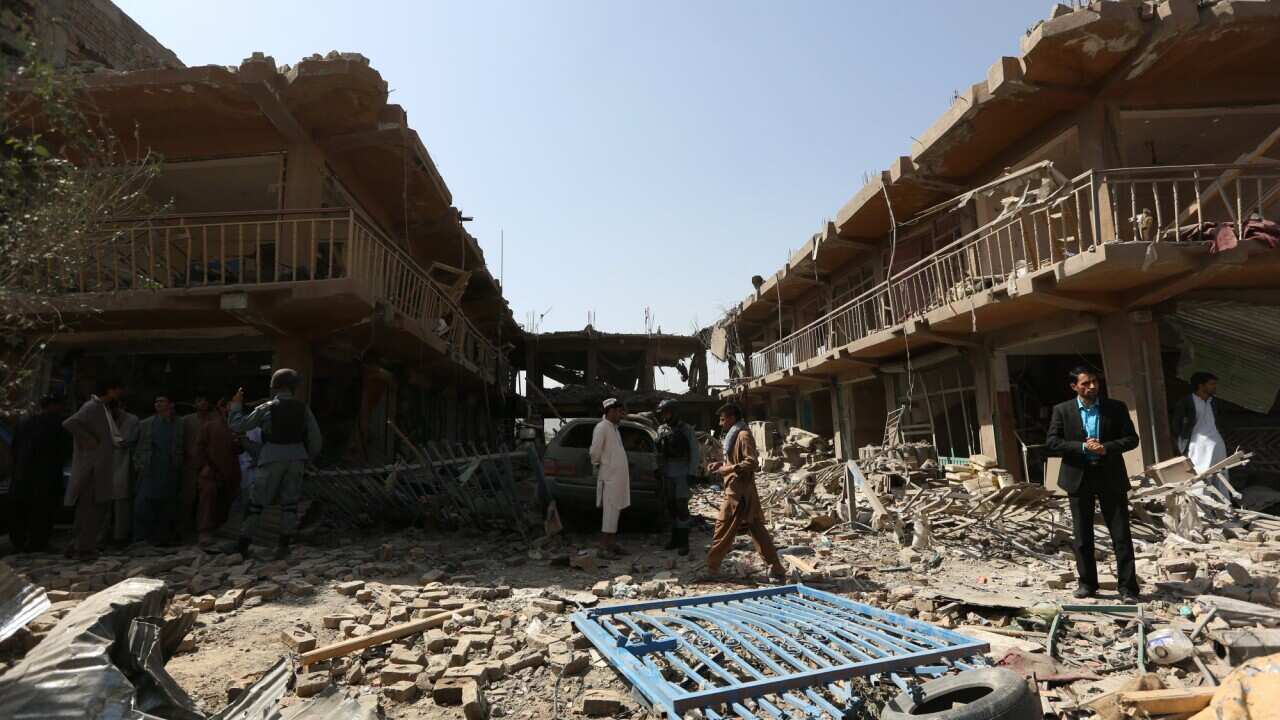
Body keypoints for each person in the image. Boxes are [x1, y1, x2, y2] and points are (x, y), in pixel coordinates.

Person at [1046, 367, 1141, 604]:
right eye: (1086, 383)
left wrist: (1106, 447)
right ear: (1074, 387)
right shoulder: (1062, 410)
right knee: (1082, 536)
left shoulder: (1115, 408)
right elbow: (1053, 442)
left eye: (1095, 382)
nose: (1092, 387)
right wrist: (1081, 447)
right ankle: (1087, 583)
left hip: (1110, 475)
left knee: (1120, 534)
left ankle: (1128, 588)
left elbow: (1132, 439)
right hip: (1079, 477)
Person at [229, 368, 322, 559]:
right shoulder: (303, 408)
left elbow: (238, 426)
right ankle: (283, 546)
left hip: (271, 457)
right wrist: (306, 458)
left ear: (275, 386)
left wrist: (236, 406)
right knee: (290, 504)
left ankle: (242, 545)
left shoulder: (267, 408)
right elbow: (316, 440)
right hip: (296, 458)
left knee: (256, 503)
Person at [705, 403, 785, 581]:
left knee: (722, 529)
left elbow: (752, 463)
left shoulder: (743, 435)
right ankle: (777, 569)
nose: (720, 423)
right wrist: (721, 466)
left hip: (738, 494)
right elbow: (736, 461)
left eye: (723, 419)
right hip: (739, 491)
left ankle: (711, 569)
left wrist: (729, 469)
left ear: (732, 418)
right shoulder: (734, 435)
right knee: (758, 532)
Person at [63, 379, 127, 559]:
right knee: (91, 509)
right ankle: (83, 548)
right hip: (93, 468)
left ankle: (78, 545)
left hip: (100, 465)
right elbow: (70, 423)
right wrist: (89, 440)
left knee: (92, 508)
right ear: (111, 390)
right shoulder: (92, 406)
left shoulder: (103, 408)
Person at [8, 395, 72, 552]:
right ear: (55, 406)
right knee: (43, 511)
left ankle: (18, 543)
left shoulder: (24, 423)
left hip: (22, 475)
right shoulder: (59, 424)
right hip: (47, 477)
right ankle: (38, 543)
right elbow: (65, 451)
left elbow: (14, 447)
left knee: (21, 511)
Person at [132, 395, 185, 546]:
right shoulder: (146, 424)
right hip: (149, 469)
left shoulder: (179, 423)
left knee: (167, 506)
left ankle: (162, 538)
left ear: (171, 404)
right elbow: (134, 444)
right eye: (156, 401)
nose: (158, 404)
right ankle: (140, 539)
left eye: (162, 401)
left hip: (170, 470)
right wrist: (138, 462)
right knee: (142, 505)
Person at [195, 396, 242, 548]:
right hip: (211, 470)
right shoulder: (210, 426)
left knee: (227, 501)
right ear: (222, 407)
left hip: (231, 470)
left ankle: (222, 529)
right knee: (208, 500)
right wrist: (206, 466)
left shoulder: (238, 426)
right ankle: (205, 531)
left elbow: (240, 449)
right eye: (229, 405)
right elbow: (200, 448)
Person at [656, 399, 699, 556]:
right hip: (667, 472)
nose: (665, 416)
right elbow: (658, 452)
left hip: (682, 471)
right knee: (671, 507)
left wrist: (692, 473)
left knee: (682, 508)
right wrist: (657, 469)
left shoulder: (686, 429)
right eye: (663, 414)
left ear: (674, 412)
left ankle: (684, 542)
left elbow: (695, 451)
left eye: (667, 413)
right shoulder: (661, 429)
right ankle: (674, 539)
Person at [589, 398, 631, 557]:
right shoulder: (602, 427)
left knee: (615, 512)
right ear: (611, 411)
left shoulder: (614, 428)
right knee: (610, 513)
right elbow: (595, 451)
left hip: (617, 479)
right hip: (610, 478)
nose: (621, 415)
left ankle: (611, 545)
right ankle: (603, 548)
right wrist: (597, 464)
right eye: (619, 412)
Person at [1171, 372, 1226, 476]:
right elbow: (1176, 426)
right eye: (1211, 384)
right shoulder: (1186, 403)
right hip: (1196, 446)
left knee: (1221, 474)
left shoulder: (1213, 402)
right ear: (1201, 386)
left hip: (1217, 444)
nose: (1215, 387)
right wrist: (1181, 445)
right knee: (1201, 475)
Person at [102, 400, 138, 549]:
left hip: (123, 462)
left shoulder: (132, 420)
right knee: (103, 504)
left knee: (122, 503)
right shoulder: (102, 418)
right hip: (105, 463)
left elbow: (129, 441)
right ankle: (101, 537)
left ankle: (120, 537)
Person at [178, 393, 214, 543]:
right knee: (187, 498)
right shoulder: (186, 421)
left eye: (205, 400)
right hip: (189, 464)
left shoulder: (215, 421)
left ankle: (203, 530)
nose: (203, 403)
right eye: (199, 400)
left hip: (209, 464)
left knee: (206, 497)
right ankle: (183, 530)